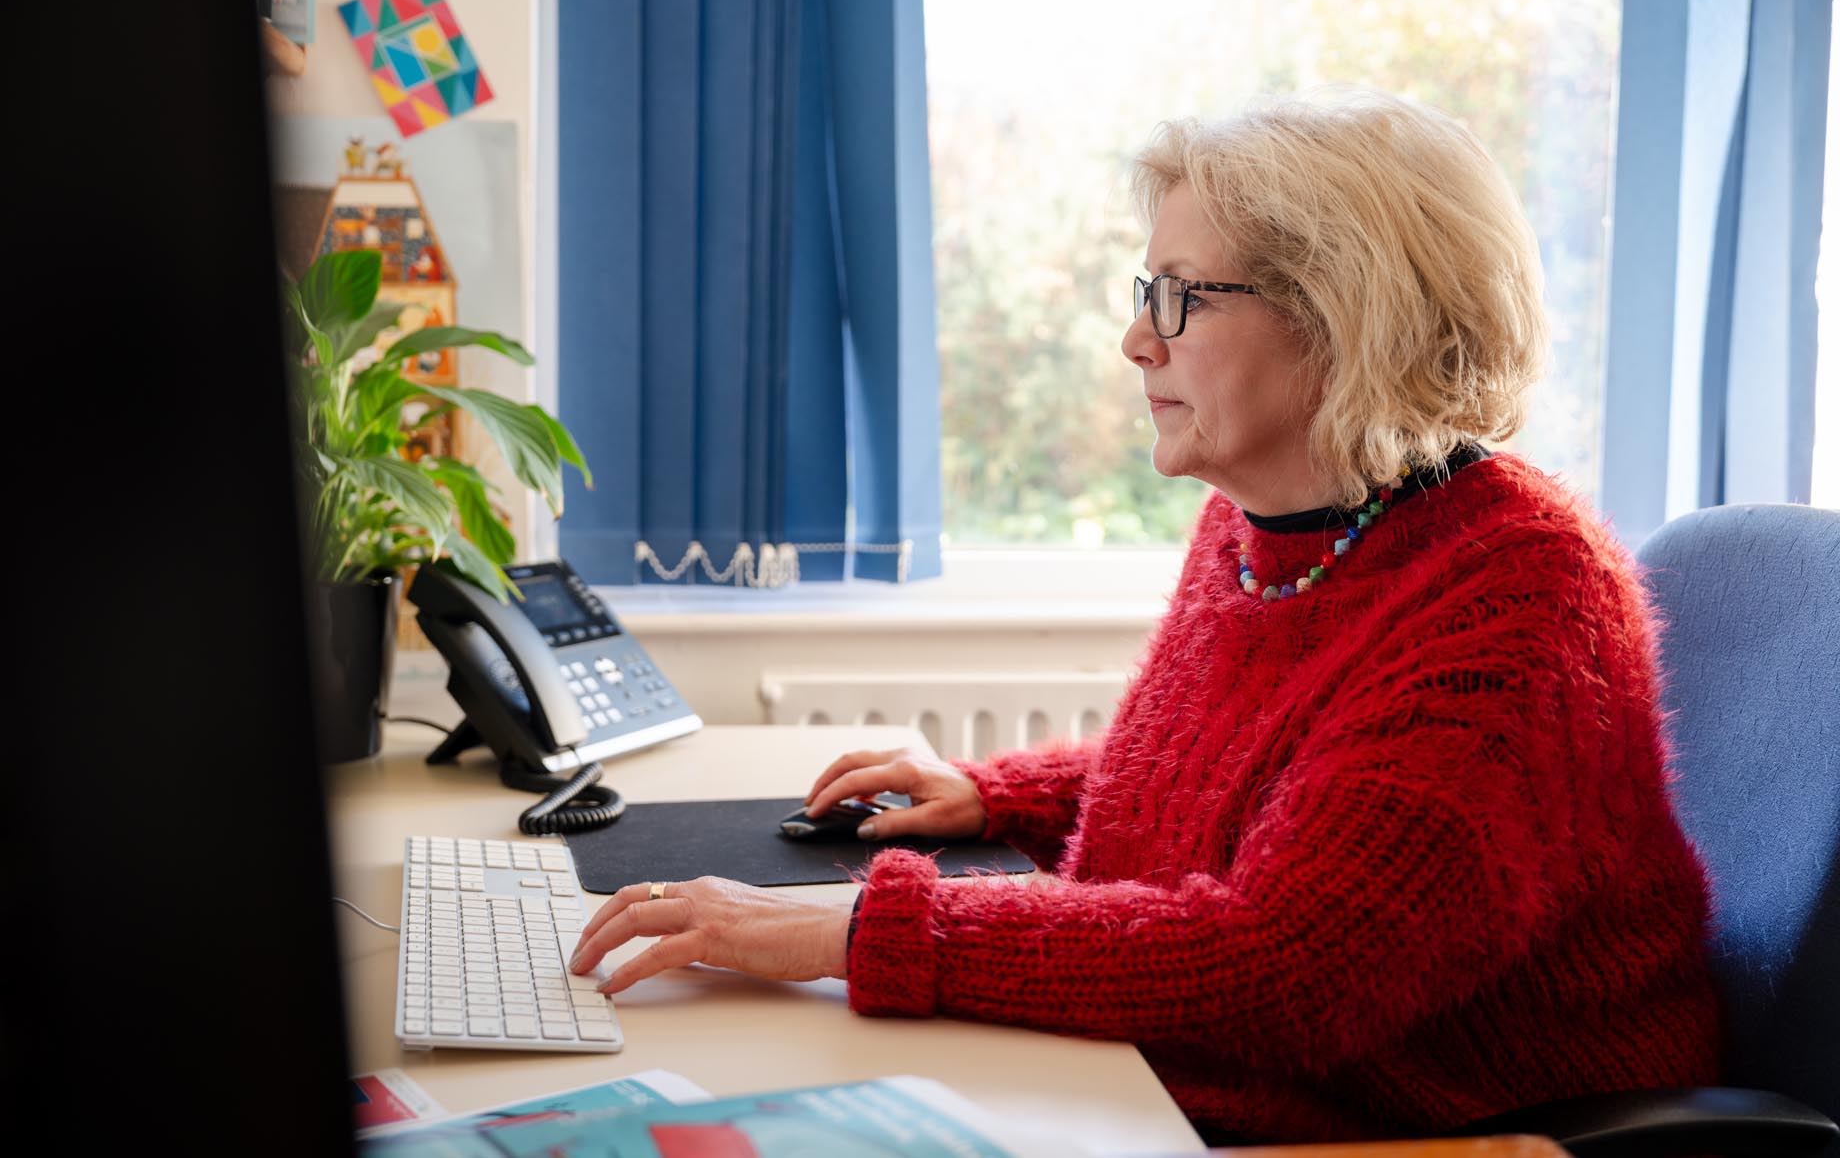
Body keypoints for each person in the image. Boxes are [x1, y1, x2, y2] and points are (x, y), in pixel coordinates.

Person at [567, 88, 1722, 1144]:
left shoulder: (1520, 600)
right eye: (1143, 291)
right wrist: (999, 797)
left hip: (1434, 1126)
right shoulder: (1266, 519)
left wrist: (855, 931)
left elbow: (1288, 970)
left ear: (1345, 317)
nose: (1136, 340)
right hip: (1203, 1081)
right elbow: (1263, 784)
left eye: (1181, 296)